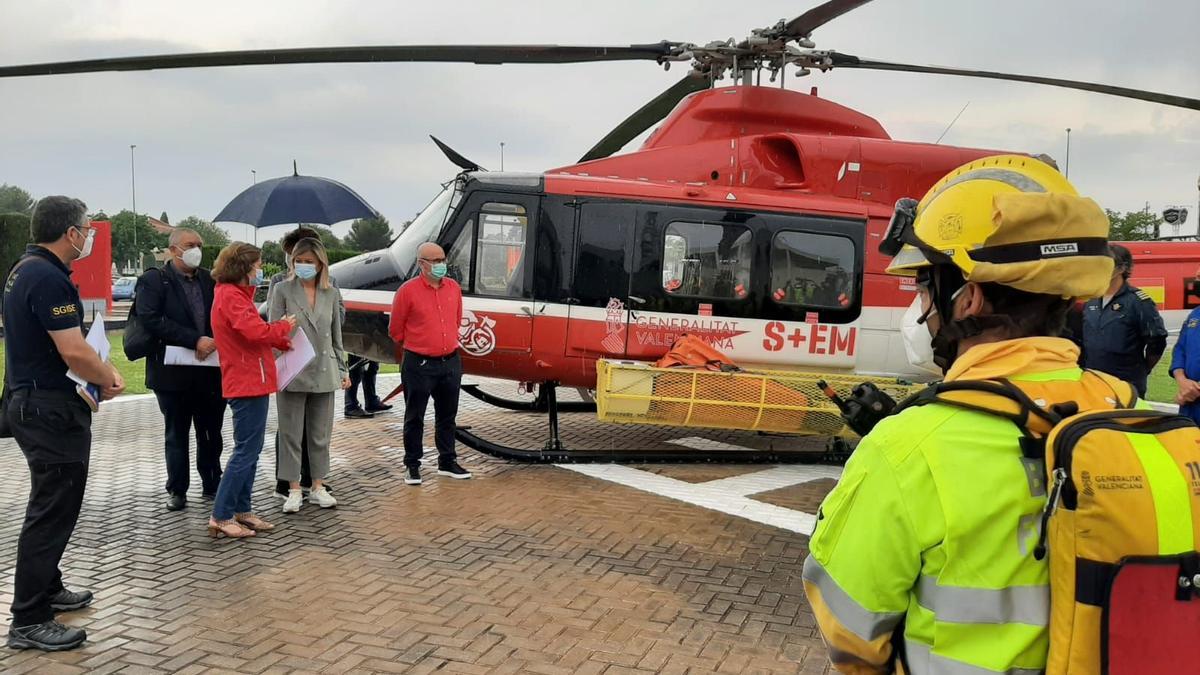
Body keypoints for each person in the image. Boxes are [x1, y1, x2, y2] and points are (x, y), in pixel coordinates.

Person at [803, 156, 1123, 673]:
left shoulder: (908, 446)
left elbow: (850, 633)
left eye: (924, 289)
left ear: (968, 298)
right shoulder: (1118, 404)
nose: (920, 311)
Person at [3, 196, 125, 651]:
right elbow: (72, 351)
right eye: (86, 229)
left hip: (35, 403)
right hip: (49, 411)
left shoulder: (24, 269)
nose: (89, 236)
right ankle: (29, 618)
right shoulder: (46, 277)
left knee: (50, 505)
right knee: (52, 511)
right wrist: (108, 376)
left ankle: (47, 588)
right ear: (71, 233)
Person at [208, 242, 295, 538]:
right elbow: (254, 331)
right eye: (257, 266)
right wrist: (282, 328)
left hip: (251, 379)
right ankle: (221, 515)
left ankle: (242, 510)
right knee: (245, 450)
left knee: (252, 449)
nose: (260, 271)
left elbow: (253, 334)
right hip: (246, 382)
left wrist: (278, 339)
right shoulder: (231, 296)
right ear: (243, 268)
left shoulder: (235, 296)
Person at [135, 227, 225, 511]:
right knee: (176, 433)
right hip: (172, 374)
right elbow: (150, 318)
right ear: (173, 249)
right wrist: (193, 339)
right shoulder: (154, 280)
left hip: (209, 371)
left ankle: (212, 480)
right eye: (190, 244)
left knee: (211, 431)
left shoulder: (211, 279)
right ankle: (177, 489)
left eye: (199, 244)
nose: (196, 249)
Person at [268, 238, 349, 512]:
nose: (303, 266)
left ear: (320, 264)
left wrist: (342, 368)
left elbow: (337, 337)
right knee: (291, 433)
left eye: (309, 262)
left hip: (324, 370)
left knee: (320, 433)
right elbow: (272, 330)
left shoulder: (331, 293)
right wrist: (280, 360)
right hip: (293, 369)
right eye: (298, 261)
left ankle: (317, 485)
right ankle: (292, 488)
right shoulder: (282, 289)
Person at [389, 242, 471, 485]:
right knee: (415, 416)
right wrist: (420, 344)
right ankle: (412, 465)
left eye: (442, 260)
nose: (440, 265)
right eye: (434, 261)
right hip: (419, 363)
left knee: (447, 416)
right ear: (421, 264)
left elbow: (456, 320)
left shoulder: (453, 288)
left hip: (450, 362)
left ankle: (447, 461)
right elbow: (396, 329)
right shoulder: (407, 291)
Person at [1081, 243, 1167, 397]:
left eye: (1106, 264)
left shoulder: (1138, 302)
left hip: (1126, 384)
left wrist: (1142, 369)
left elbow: (1157, 340)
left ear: (1122, 268)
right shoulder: (1091, 300)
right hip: (1093, 382)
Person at [1170, 265, 1200, 424]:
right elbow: (1180, 349)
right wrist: (1181, 380)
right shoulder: (1194, 315)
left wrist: (1193, 389)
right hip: (1190, 404)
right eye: (1196, 278)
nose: (1196, 282)